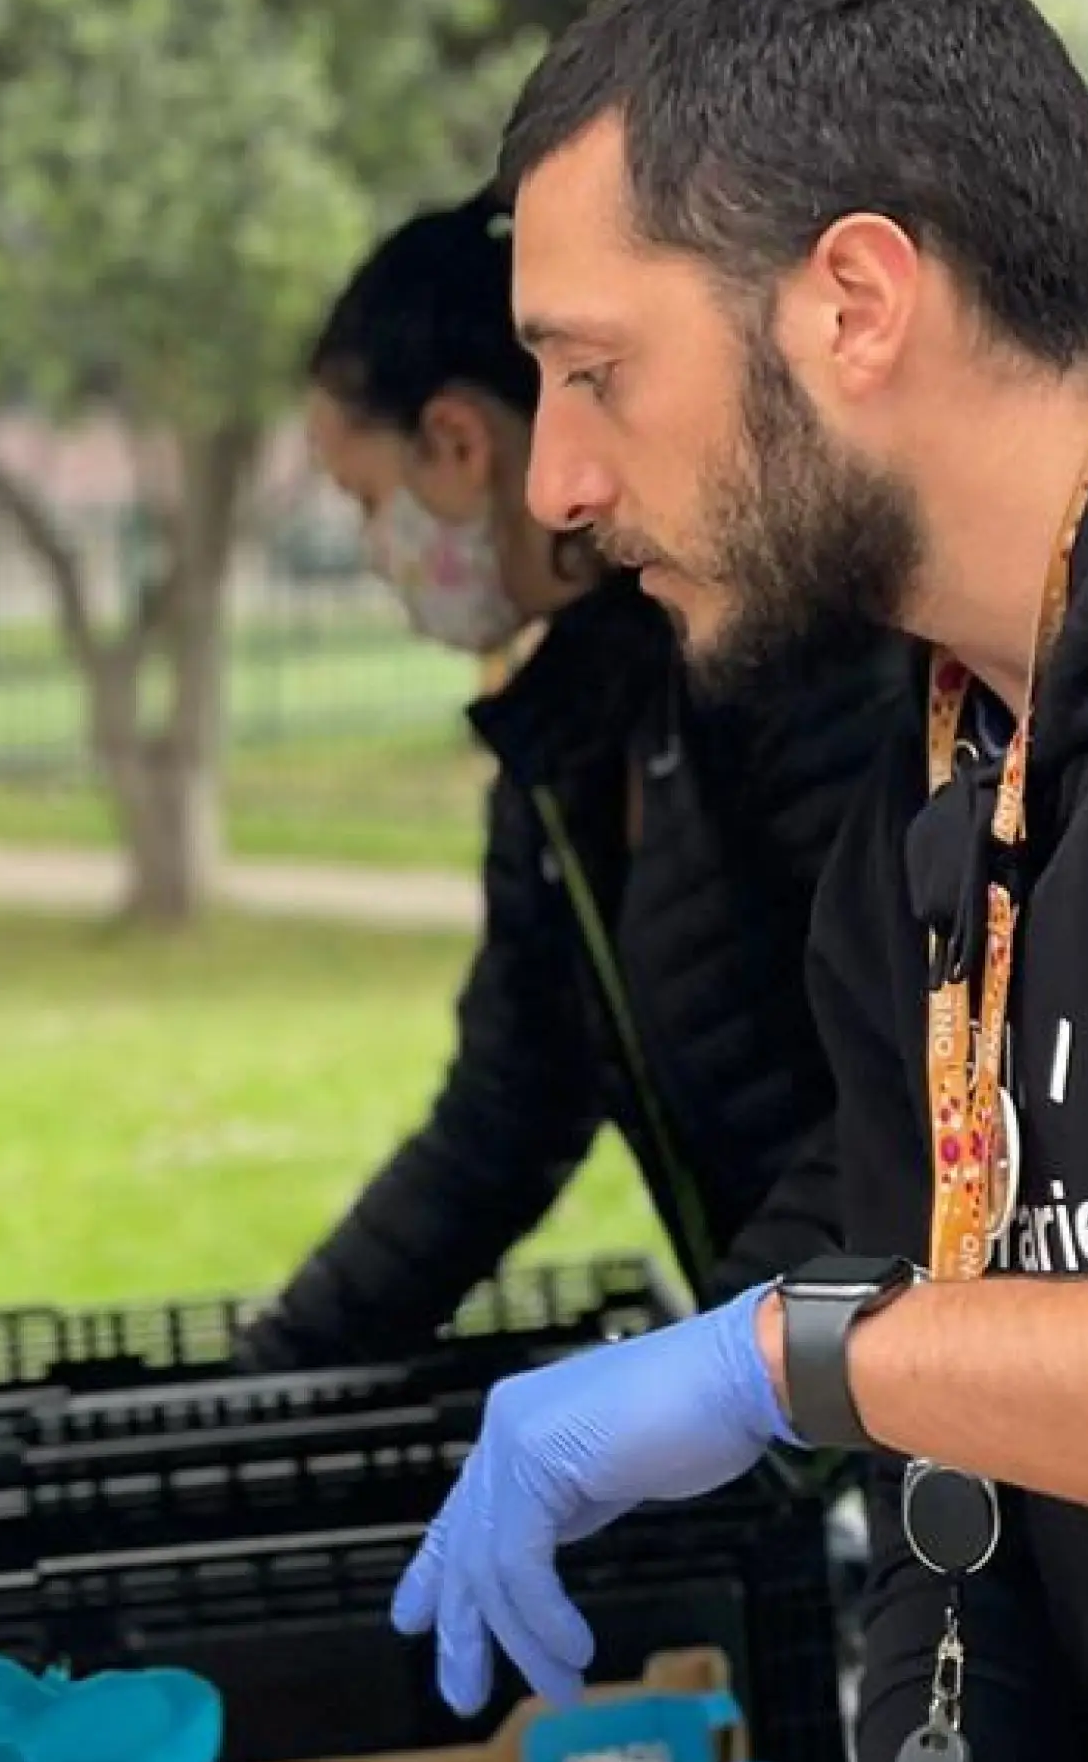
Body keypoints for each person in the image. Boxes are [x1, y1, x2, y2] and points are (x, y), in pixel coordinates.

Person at [393, 0, 1088, 1762]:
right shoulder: (920, 836)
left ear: (852, 301)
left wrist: (790, 1358)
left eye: (595, 369)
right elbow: (962, 1503)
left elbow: (897, 1361)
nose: (558, 486)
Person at [239, 193, 903, 1369]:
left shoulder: (779, 657)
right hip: (818, 1374)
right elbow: (506, 1107)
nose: (372, 549)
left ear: (456, 441)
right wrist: (278, 1368)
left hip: (908, 1379)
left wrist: (717, 1386)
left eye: (362, 498)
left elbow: (912, 1081)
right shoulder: (567, 736)